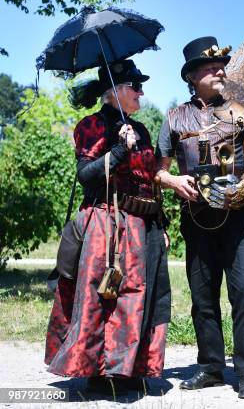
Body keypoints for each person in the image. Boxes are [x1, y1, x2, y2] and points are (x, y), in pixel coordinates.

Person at [45, 59, 171, 395]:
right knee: (102, 294)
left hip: (141, 225)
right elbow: (85, 175)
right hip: (104, 221)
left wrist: (161, 223)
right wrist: (117, 150)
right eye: (135, 86)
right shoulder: (91, 126)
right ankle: (99, 371)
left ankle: (130, 369)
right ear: (114, 91)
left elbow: (147, 182)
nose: (141, 92)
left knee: (138, 298)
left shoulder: (141, 129)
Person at [155, 36, 244, 399]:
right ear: (192, 76)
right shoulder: (173, 119)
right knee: (203, 297)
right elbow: (158, 171)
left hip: (240, 221)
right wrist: (173, 181)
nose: (219, 71)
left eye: (221, 67)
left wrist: (241, 191)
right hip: (196, 219)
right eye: (210, 67)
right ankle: (211, 367)